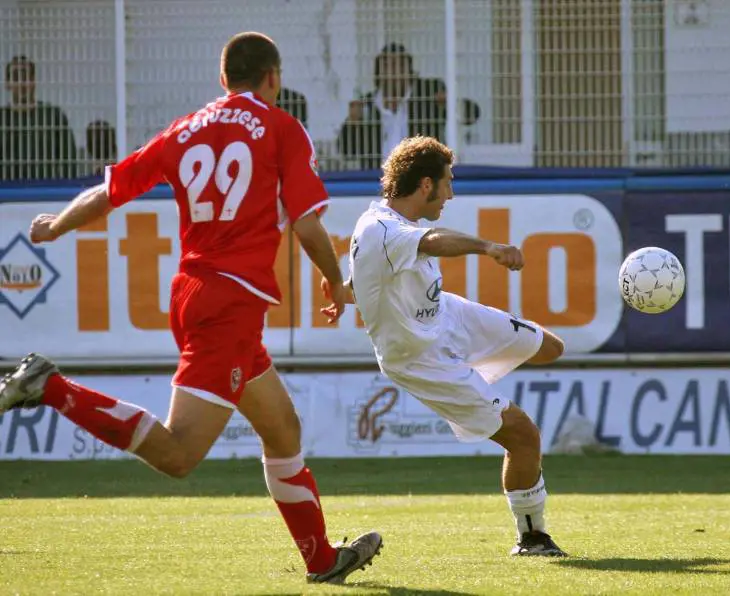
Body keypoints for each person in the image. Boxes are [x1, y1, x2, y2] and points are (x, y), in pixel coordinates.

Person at [0, 32, 381, 585]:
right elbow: (305, 222)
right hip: (230, 302)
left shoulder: (186, 129)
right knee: (178, 455)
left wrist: (55, 225)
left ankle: (322, 559)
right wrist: (334, 281)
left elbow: (110, 189)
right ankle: (49, 386)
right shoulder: (280, 128)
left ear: (223, 79)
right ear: (273, 78)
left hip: (198, 293)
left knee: (282, 429)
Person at [336, 135, 567, 557]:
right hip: (419, 358)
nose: (451, 192)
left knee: (551, 347)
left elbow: (370, 280)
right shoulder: (382, 228)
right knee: (523, 436)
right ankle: (532, 538)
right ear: (425, 185)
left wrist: (345, 293)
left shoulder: (390, 227)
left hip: (446, 316)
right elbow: (433, 241)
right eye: (447, 182)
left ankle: (486, 388)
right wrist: (489, 247)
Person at [337, 43, 480, 170]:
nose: (394, 72)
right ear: (378, 73)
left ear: (409, 70)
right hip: (379, 181)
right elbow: (347, 151)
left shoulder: (428, 94)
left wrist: (452, 103)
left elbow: (472, 115)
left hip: (422, 180)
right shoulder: (367, 104)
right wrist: (352, 123)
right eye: (388, 65)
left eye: (400, 65)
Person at [0, 55, 77, 180]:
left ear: (34, 81)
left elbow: (69, 160)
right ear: (7, 84)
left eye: (26, 77)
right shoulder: (2, 118)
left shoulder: (53, 116)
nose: (21, 83)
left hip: (46, 191)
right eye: (16, 77)